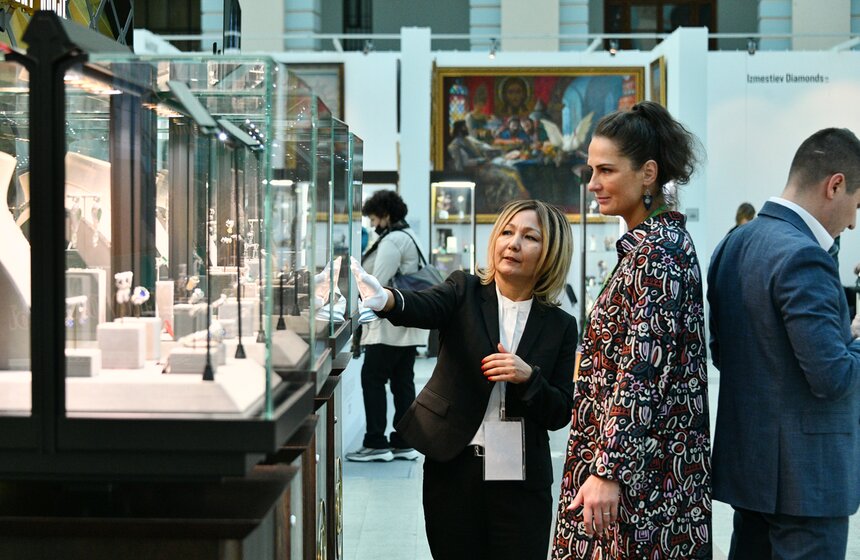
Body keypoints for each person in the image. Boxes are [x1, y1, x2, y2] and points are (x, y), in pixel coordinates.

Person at [352, 199, 577, 559]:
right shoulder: (464, 290)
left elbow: (560, 411)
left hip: (520, 477)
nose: (513, 243)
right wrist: (387, 300)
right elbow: (424, 306)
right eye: (507, 232)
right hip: (454, 465)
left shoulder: (560, 325)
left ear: (551, 251)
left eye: (530, 237)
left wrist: (528, 378)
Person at [552, 101, 711, 559]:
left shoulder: (659, 252)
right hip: (635, 468)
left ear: (648, 174)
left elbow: (642, 372)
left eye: (606, 170)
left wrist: (608, 471)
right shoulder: (650, 246)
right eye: (591, 170)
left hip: (644, 481)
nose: (593, 183)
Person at [707, 128, 860, 559]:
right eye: (857, 205)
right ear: (835, 185)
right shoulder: (804, 255)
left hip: (752, 472)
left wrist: (842, 339)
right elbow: (833, 378)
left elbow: (726, 353)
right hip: (807, 481)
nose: (853, 222)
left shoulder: (732, 244)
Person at [345, 190, 428, 462]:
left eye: (374, 218)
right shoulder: (410, 235)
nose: (372, 225)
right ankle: (403, 441)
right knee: (402, 383)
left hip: (387, 329)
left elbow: (376, 282)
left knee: (373, 379)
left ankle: (375, 441)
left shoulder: (393, 240)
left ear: (386, 215)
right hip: (407, 328)